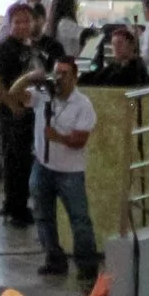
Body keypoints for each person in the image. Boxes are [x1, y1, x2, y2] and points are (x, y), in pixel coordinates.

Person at [29, 54, 100, 282]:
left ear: (75, 77)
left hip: (70, 172)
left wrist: (56, 137)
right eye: (56, 73)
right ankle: (54, 260)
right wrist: (31, 77)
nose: (59, 78)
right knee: (43, 216)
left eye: (64, 74)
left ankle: (87, 266)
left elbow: (79, 141)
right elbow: (13, 95)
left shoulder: (83, 105)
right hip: (43, 166)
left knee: (79, 220)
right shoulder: (43, 97)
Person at [0, 6, 41, 220]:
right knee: (16, 158)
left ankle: (14, 202)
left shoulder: (31, 48)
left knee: (19, 157)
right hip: (11, 110)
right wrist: (12, 105)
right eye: (18, 22)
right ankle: (17, 207)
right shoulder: (3, 49)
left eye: (26, 21)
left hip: (26, 107)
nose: (22, 26)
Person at [80, 23, 149, 88]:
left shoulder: (136, 68)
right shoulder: (115, 66)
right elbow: (98, 76)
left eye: (120, 43)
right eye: (113, 44)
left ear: (132, 45)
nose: (116, 47)